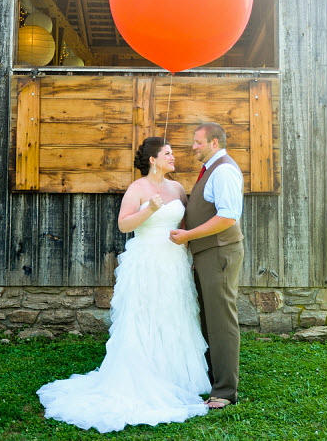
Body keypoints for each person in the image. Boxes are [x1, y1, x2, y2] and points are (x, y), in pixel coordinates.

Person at [37, 137, 211, 433]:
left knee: (173, 314)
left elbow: (184, 225)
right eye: (167, 153)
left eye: (173, 153)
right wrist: (148, 211)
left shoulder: (178, 188)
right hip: (146, 261)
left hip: (174, 263)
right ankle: (141, 374)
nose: (173, 157)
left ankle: (176, 377)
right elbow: (124, 225)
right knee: (143, 316)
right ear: (153, 159)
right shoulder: (137, 189)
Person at [170, 122, 244, 409]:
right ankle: (215, 379)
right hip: (208, 253)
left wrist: (188, 236)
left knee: (222, 320)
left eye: (198, 142)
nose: (193, 146)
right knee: (210, 319)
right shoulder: (211, 170)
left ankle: (225, 391)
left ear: (214, 143)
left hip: (220, 252)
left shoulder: (223, 170)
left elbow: (227, 217)